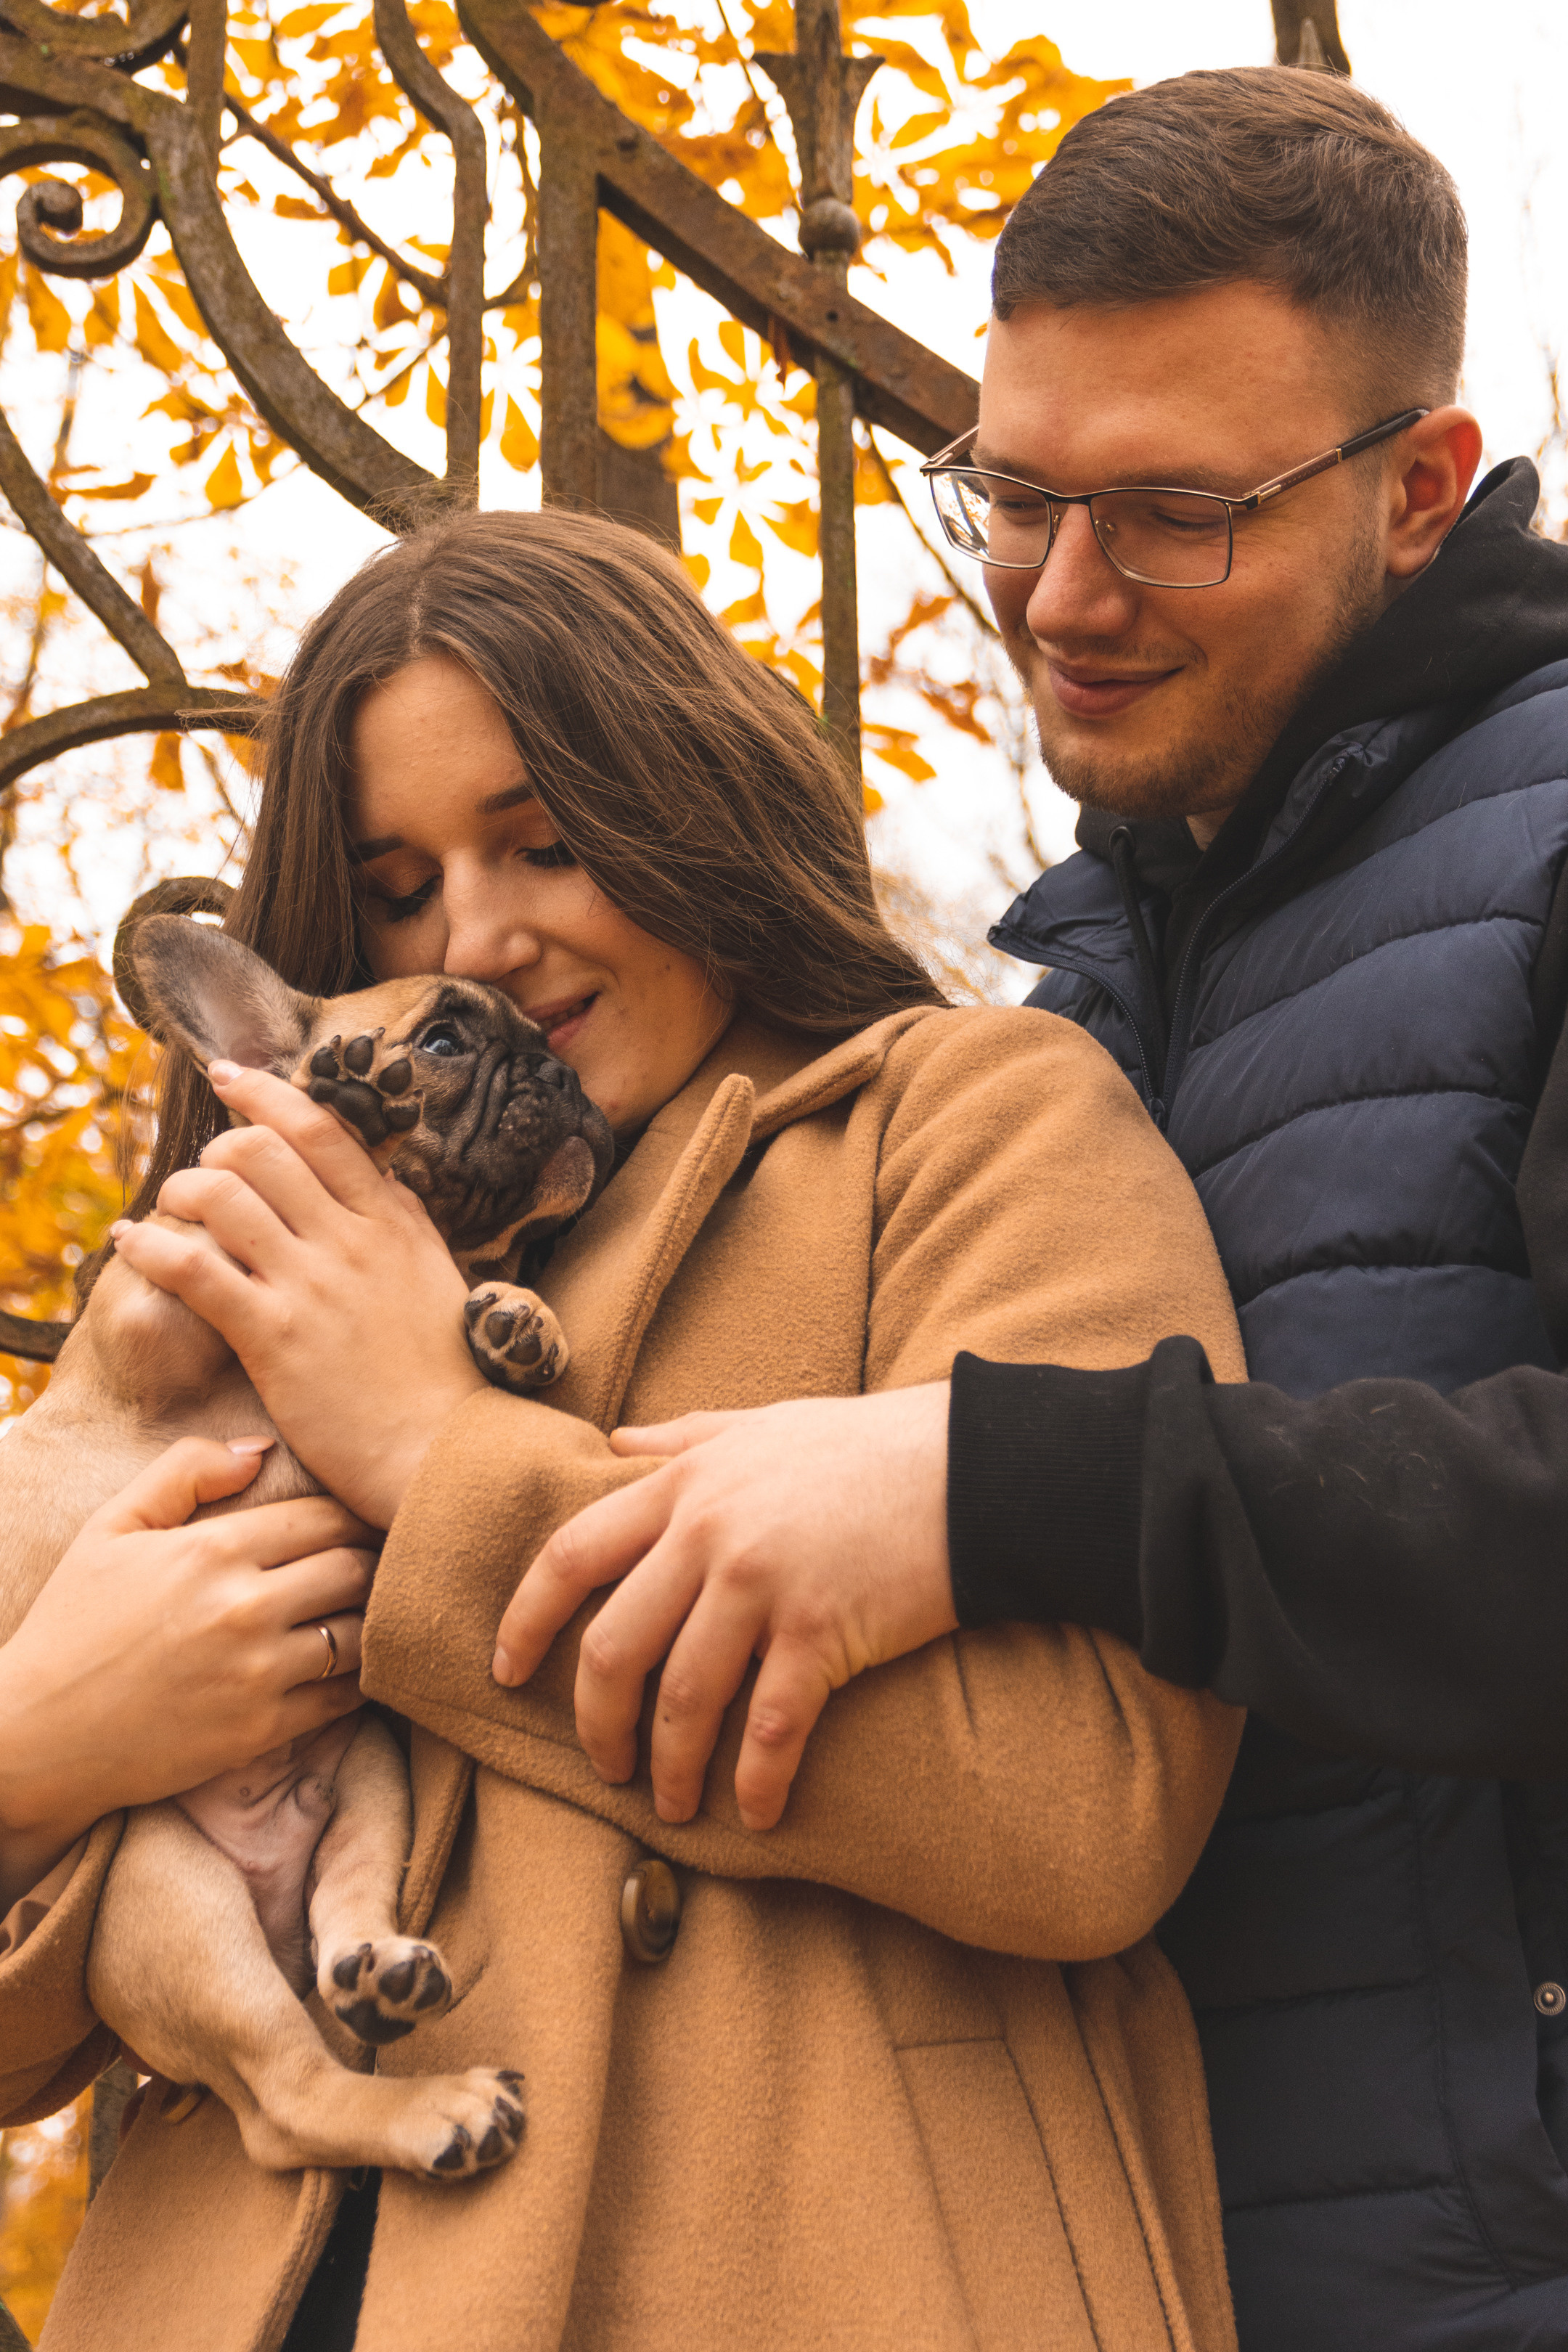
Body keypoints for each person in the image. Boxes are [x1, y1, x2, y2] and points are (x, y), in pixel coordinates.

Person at [501, 68, 1568, 2352]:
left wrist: (1003, 1485)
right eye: (1016, 493)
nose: (1062, 599)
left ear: (1420, 489)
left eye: (1176, 513)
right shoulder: (1067, 977)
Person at [1, 507, 1249, 2351]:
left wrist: (442, 1460)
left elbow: (1091, 1806)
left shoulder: (973, 1124)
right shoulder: (253, 1289)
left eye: (546, 843)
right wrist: (42, 1749)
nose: (482, 941)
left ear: (692, 803)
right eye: (401, 890)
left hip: (818, 2267)